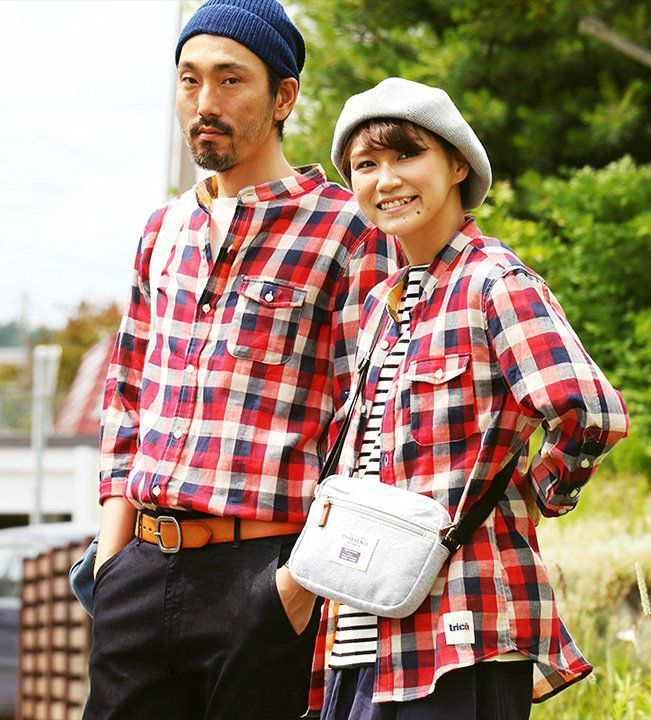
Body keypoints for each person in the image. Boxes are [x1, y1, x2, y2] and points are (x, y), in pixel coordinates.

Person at [83, 3, 398, 718]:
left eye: (230, 80)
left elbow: (372, 425)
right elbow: (125, 399)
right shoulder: (162, 230)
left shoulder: (348, 230)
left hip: (263, 577)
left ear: (284, 97)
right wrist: (110, 566)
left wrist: (295, 586)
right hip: (139, 572)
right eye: (190, 80)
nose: (205, 103)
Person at [306, 78, 630, 720]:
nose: (386, 179)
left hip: (463, 628)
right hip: (364, 632)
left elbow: (591, 411)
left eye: (407, 155)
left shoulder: (495, 283)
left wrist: (538, 495)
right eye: (366, 165)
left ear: (457, 164)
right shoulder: (381, 305)